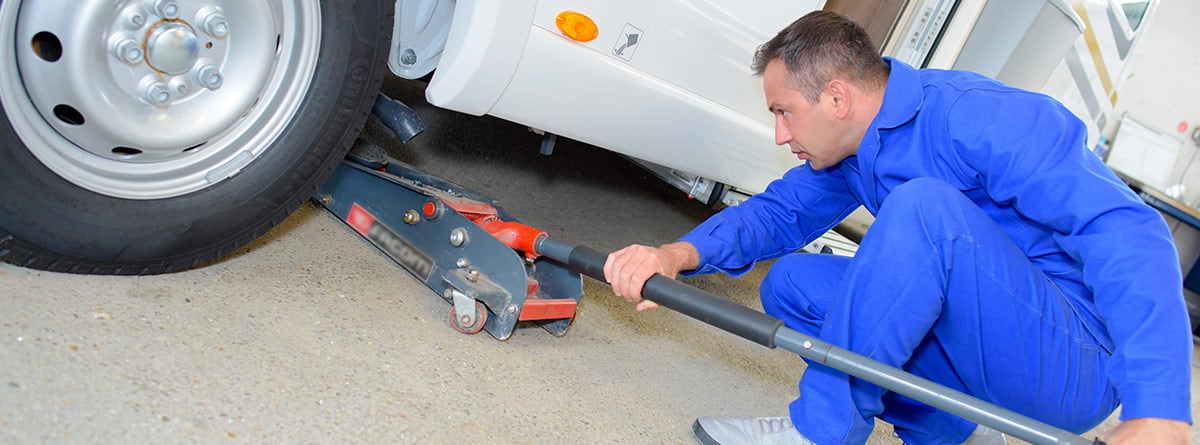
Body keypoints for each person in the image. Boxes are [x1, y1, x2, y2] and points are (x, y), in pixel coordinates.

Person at [603, 10, 1192, 445]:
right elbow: (778, 213)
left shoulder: (973, 115)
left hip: (1072, 362)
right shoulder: (850, 148)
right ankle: (951, 432)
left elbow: (1128, 229)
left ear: (836, 96)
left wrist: (1157, 408)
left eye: (784, 112)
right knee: (794, 285)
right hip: (981, 342)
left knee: (924, 211)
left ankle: (821, 434)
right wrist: (674, 254)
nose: (780, 134)